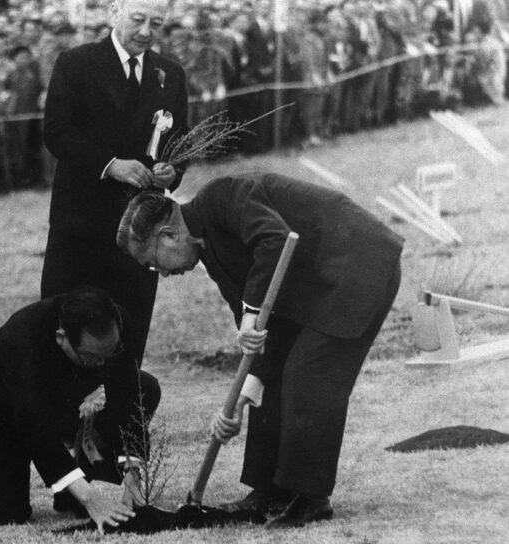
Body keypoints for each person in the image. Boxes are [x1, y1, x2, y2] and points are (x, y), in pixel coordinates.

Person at [116, 173, 403, 528]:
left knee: (308, 372)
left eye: (153, 261)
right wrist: (239, 402)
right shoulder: (210, 253)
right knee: (276, 376)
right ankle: (271, 490)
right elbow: (262, 335)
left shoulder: (222, 196)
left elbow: (275, 239)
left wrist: (252, 315)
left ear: (169, 235)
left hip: (357, 266)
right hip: (320, 284)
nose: (159, 272)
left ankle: (311, 497)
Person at [0, 287, 161, 532]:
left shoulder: (115, 323)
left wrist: (132, 472)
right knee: (8, 511)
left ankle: (73, 485)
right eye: (91, 357)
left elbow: (129, 393)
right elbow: (34, 426)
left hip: (61, 399)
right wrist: (90, 498)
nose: (102, 364)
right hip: (2, 411)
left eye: (110, 353)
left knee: (146, 387)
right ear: (62, 338)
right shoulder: (21, 338)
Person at [40, 0, 189, 367]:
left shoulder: (170, 74)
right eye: (137, 20)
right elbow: (56, 132)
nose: (145, 32)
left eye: (156, 23)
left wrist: (173, 170)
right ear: (114, 13)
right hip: (82, 224)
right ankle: (63, 417)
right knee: (68, 323)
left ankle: (124, 418)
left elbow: (179, 141)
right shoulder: (75, 63)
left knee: (130, 326)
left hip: (141, 227)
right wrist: (110, 166)